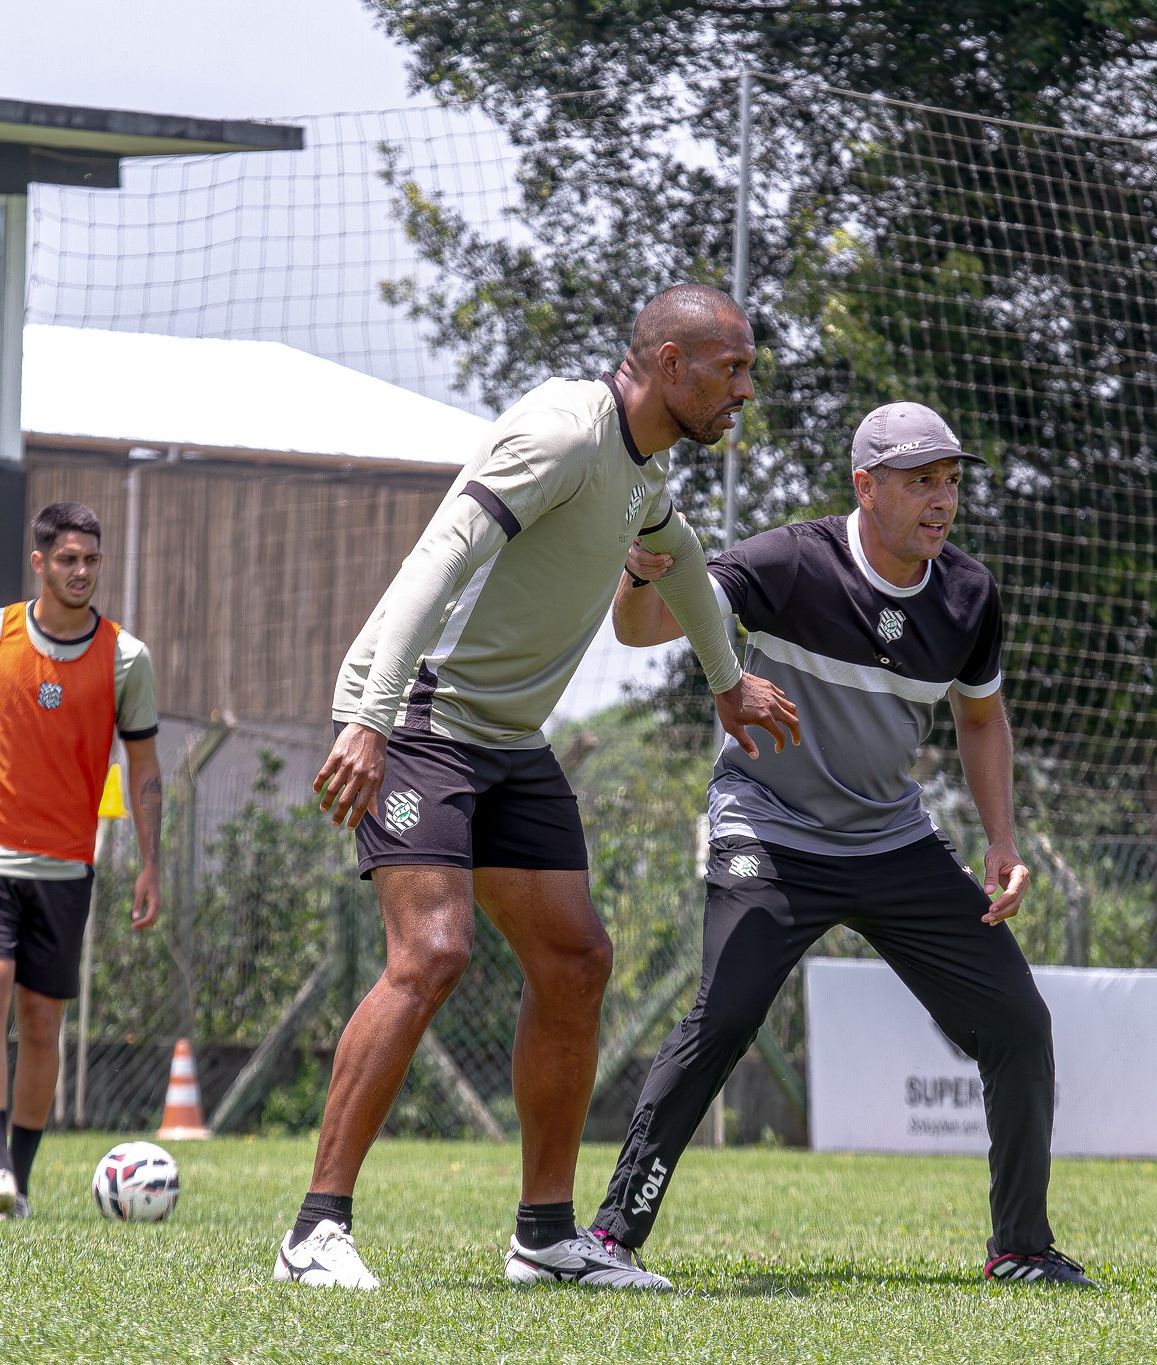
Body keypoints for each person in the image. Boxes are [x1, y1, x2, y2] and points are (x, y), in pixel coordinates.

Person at [278, 283, 801, 1292]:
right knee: (432, 953)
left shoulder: (639, 468)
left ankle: (545, 1239)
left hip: (509, 742)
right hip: (421, 714)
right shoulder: (565, 431)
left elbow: (680, 558)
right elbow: (436, 560)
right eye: (729, 368)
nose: (744, 388)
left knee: (575, 960)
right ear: (667, 367)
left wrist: (727, 680)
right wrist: (370, 718)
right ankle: (314, 1233)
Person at [588, 401, 1095, 1288]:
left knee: (1019, 1020)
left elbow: (981, 718)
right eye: (919, 481)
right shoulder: (789, 561)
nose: (942, 499)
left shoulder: (969, 593)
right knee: (728, 1013)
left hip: (891, 839)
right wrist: (638, 574)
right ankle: (610, 1236)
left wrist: (1002, 838)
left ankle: (1021, 1248)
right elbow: (641, 630)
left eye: (950, 480)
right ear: (866, 486)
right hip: (770, 829)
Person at [0, 502, 163, 1221]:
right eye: (69, 559)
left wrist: (151, 862)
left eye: (92, 559)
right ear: (40, 562)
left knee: (42, 1021)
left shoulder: (126, 658)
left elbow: (144, 765)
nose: (82, 571)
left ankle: (16, 1180)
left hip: (65, 864)